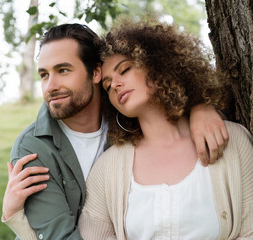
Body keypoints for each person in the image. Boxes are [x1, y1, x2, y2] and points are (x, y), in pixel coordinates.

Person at [2, 23, 230, 239]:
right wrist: (18, 221)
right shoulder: (33, 147)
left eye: (63, 70)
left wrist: (201, 106)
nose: (50, 86)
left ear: (95, 73)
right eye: (44, 75)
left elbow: (164, 97)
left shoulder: (126, 111)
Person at [78, 19, 253, 239]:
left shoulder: (232, 140)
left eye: (124, 70)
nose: (115, 84)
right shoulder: (106, 170)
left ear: (158, 64)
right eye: (107, 85)